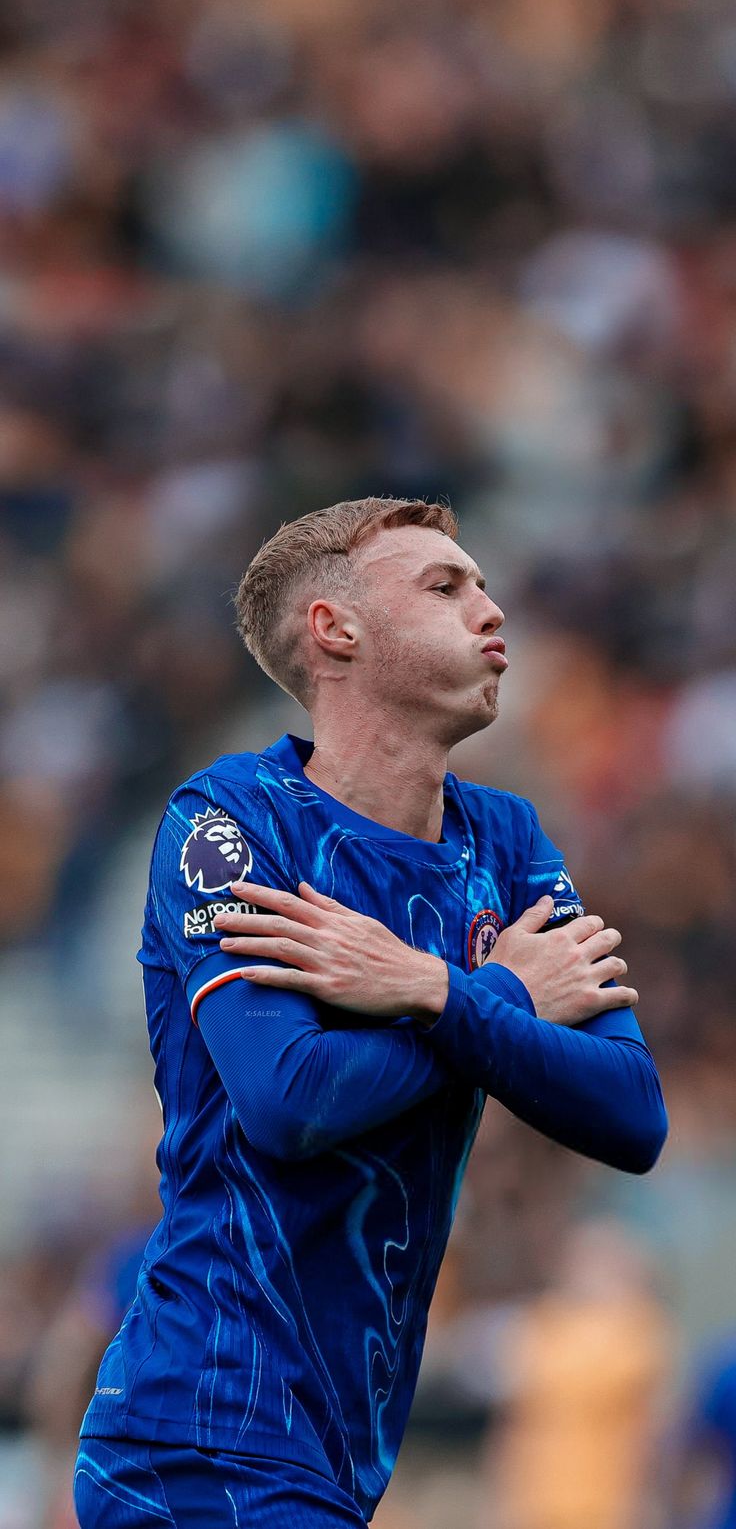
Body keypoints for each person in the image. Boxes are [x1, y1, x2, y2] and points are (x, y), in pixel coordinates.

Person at [74, 497, 667, 1527]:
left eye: (482, 582)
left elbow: (631, 1112)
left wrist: (432, 990)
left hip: (339, 1445)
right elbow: (287, 1100)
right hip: (204, 1426)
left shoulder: (506, 842)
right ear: (334, 630)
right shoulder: (229, 823)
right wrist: (495, 997)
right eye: (445, 586)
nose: (490, 608)